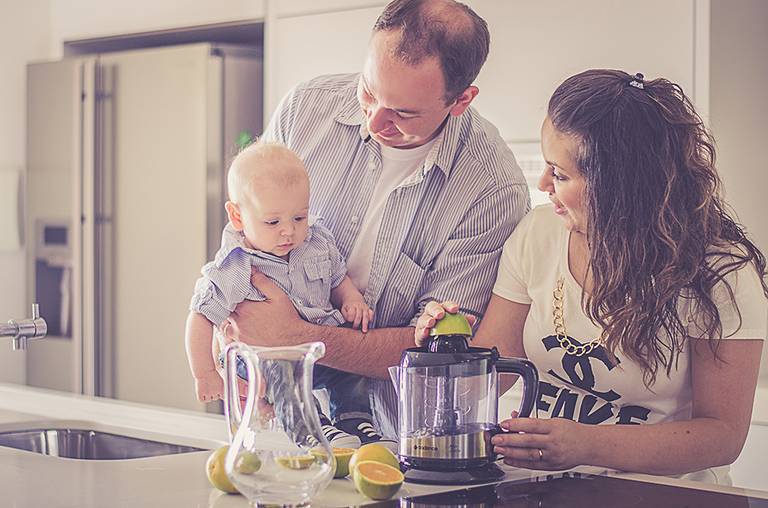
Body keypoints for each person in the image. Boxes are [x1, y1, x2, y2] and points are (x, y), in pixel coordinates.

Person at [415, 69, 768, 483]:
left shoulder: (721, 274)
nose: (543, 184)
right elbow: (496, 371)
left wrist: (586, 444)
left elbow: (722, 436)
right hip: (534, 488)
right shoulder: (538, 232)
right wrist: (448, 349)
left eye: (560, 174)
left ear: (618, 186)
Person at [216, 0, 530, 439]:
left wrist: (294, 336)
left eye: (403, 113)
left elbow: (443, 353)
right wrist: (230, 336)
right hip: (275, 415)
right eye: (368, 91)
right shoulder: (306, 109)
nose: (375, 121)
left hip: (395, 440)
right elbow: (246, 234)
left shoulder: (492, 192)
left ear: (461, 100)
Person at [185, 141, 392, 449]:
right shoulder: (236, 265)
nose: (289, 231)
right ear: (237, 216)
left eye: (299, 218)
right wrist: (205, 373)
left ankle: (355, 421)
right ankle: (312, 429)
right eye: (272, 222)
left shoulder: (316, 241)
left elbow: (338, 278)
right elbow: (200, 316)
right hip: (263, 360)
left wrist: (351, 299)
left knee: (353, 360)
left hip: (318, 350)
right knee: (282, 368)